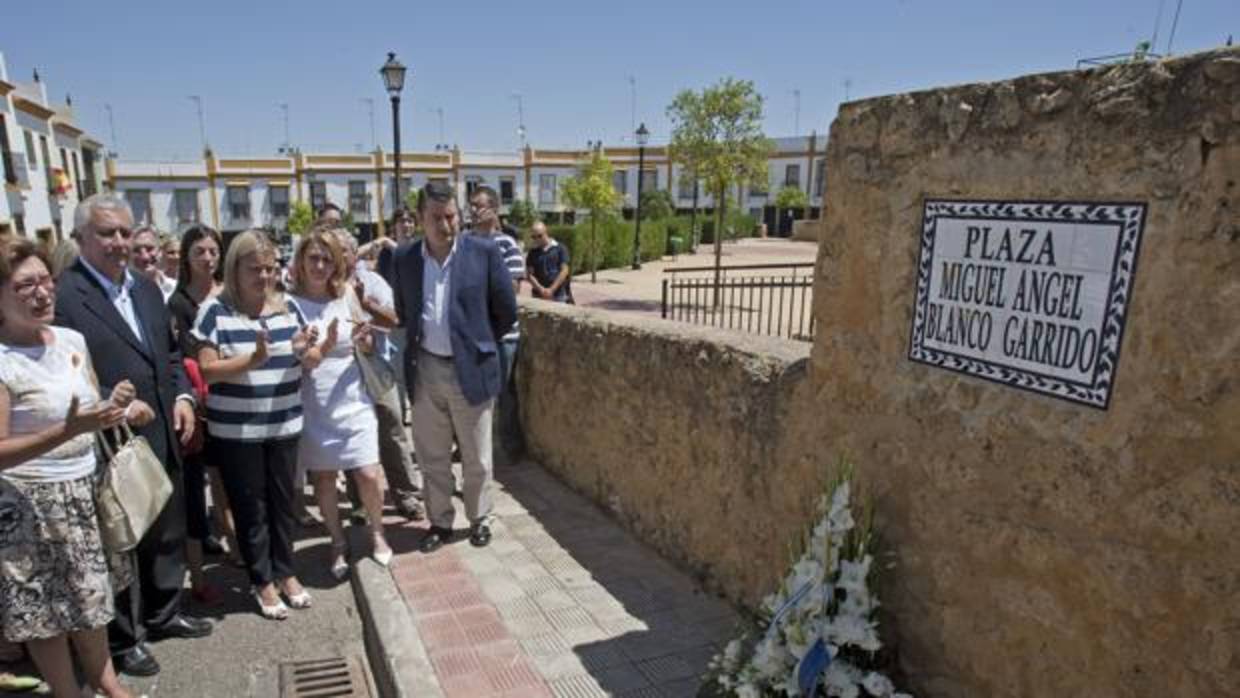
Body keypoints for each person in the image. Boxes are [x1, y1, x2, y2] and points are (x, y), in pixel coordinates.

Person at [54, 193, 209, 678]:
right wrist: (110, 405)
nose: (119, 242)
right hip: (105, 438)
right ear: (81, 238)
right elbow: (59, 375)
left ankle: (163, 613)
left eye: (125, 232)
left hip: (161, 427)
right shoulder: (63, 295)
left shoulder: (145, 289)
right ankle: (124, 640)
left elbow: (167, 354)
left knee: (165, 526)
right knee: (119, 543)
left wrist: (183, 399)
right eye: (107, 233)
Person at [0, 240, 137, 698]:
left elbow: (89, 408)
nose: (42, 293)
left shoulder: (72, 340)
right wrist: (66, 429)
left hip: (83, 492)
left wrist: (121, 406)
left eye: (45, 281)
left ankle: (108, 684)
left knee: (92, 600)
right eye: (25, 286)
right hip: (27, 507)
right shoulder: (2, 360)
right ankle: (66, 691)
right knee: (45, 614)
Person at [192, 230, 317, 620]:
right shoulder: (214, 311)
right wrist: (253, 359)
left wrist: (310, 349)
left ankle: (286, 572)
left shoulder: (288, 307)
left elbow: (303, 357)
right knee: (251, 508)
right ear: (235, 269)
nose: (264, 277)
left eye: (269, 268)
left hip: (284, 423)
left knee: (284, 503)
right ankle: (261, 580)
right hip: (238, 432)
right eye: (254, 269)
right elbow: (208, 371)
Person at [392, 181, 517, 553]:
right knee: (432, 456)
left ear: (459, 216)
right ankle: (440, 521)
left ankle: (480, 518)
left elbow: (506, 311)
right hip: (426, 368)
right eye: (436, 218)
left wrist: (476, 344)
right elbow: (404, 311)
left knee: (476, 454)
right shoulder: (404, 259)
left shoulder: (484, 252)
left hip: (472, 368)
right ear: (420, 218)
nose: (445, 225)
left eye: (451, 217)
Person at [288, 230, 393, 577]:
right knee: (324, 478)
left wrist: (364, 342)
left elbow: (365, 344)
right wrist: (311, 348)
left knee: (367, 472)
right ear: (301, 262)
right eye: (313, 258)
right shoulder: (288, 304)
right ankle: (337, 541)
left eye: (327, 259)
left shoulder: (347, 293)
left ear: (336, 263)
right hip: (314, 402)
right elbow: (294, 359)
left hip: (353, 398)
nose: (320, 265)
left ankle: (377, 533)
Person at [166, 224, 239, 604]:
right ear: (186, 257)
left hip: (233, 396)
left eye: (213, 251)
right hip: (197, 403)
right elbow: (179, 355)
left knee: (229, 477)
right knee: (204, 480)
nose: (208, 258)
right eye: (200, 252)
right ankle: (209, 559)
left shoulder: (230, 294)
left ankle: (234, 541)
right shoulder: (177, 303)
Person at [333, 229, 424, 522]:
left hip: (378, 369)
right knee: (351, 437)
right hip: (343, 375)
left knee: (392, 428)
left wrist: (365, 302)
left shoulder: (372, 281)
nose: (339, 256)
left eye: (344, 250)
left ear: (352, 254)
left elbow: (396, 318)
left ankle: (406, 495)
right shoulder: (323, 287)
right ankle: (359, 502)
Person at [467, 186, 525, 465]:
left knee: (501, 393)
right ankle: (478, 451)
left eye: (480, 206)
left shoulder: (506, 245)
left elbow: (510, 290)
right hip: (473, 336)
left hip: (503, 336)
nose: (474, 211)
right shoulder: (463, 244)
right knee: (474, 396)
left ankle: (508, 449)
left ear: (494, 209)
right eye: (471, 206)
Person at [526, 221, 573, 303]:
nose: (537, 239)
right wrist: (541, 289)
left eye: (540, 236)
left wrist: (551, 289)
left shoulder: (559, 248)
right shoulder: (532, 252)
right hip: (538, 295)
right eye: (534, 237)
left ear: (546, 232)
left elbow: (564, 271)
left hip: (558, 295)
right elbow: (530, 275)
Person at [130, 226, 176, 301]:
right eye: (136, 250)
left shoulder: (176, 289)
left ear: (160, 251)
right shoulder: (123, 294)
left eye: (149, 249)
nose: (145, 257)